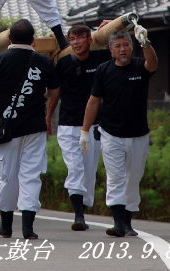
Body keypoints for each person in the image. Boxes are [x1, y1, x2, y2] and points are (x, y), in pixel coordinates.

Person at [0, 19, 59, 240]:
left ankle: (6, 226)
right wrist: (47, 112)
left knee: (8, 177)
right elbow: (55, 92)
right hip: (35, 128)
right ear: (33, 40)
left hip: (6, 129)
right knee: (31, 176)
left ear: (9, 39)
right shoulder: (44, 62)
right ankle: (28, 228)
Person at [81, 26, 158, 237]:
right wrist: (85, 130)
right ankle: (117, 224)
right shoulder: (104, 70)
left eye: (126, 45)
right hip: (110, 134)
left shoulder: (139, 67)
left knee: (133, 178)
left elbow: (153, 64)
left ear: (132, 47)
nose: (122, 49)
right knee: (115, 178)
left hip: (138, 133)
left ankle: (128, 221)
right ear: (111, 50)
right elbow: (93, 101)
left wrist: (145, 42)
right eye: (118, 46)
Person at [46, 24, 108, 230]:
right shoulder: (63, 64)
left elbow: (121, 48)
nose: (76, 42)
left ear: (90, 40)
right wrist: (47, 117)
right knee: (75, 168)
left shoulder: (100, 60)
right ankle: (78, 216)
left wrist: (107, 26)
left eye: (80, 37)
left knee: (89, 171)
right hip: (68, 126)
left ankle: (83, 209)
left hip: (94, 126)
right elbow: (54, 94)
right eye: (72, 39)